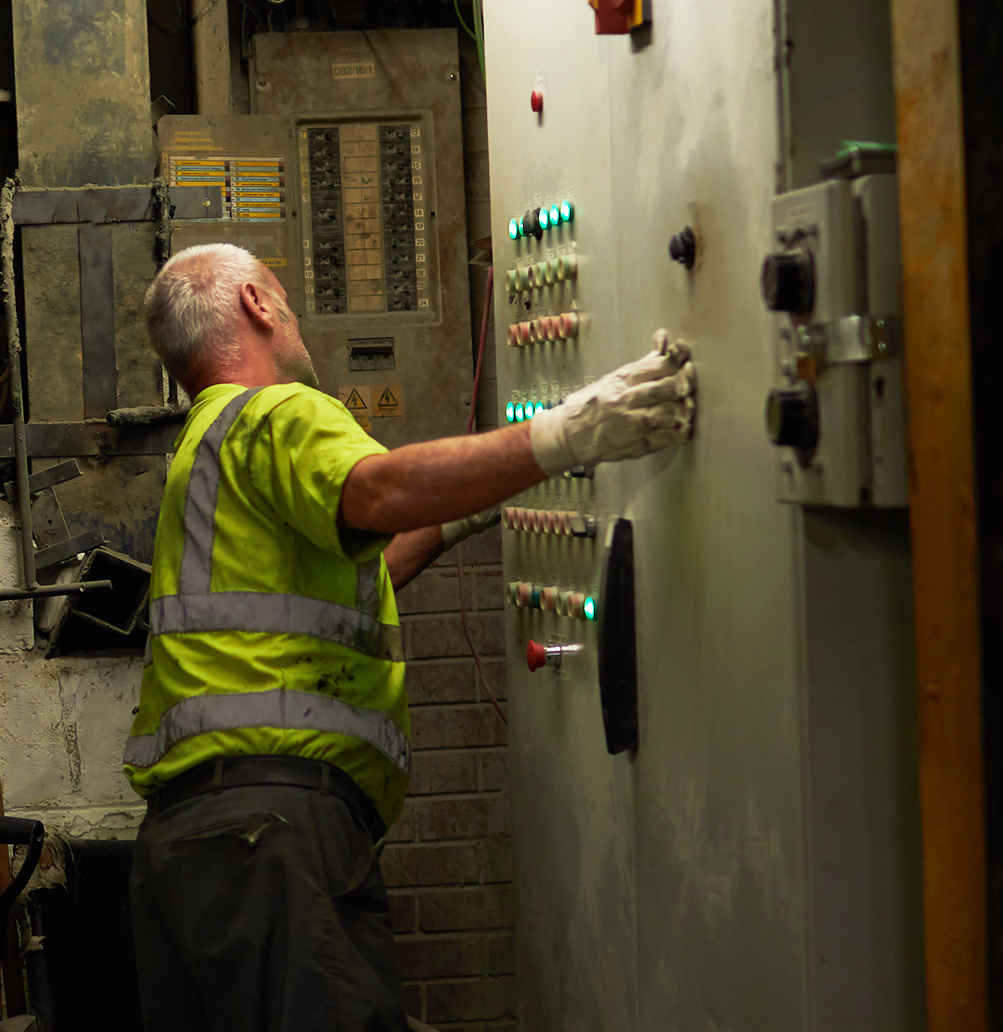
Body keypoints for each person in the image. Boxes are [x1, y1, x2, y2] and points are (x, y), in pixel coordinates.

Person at [124, 242, 695, 1031]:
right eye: (287, 302)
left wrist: (467, 508)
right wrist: (568, 435)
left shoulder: (205, 446)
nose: (294, 322)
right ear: (257, 303)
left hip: (190, 848)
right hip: (275, 835)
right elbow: (378, 489)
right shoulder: (277, 410)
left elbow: (347, 578)